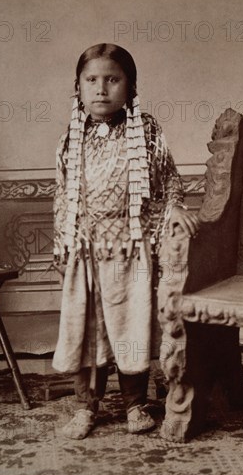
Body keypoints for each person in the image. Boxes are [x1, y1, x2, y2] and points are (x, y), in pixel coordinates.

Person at [52, 43, 199, 439]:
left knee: (130, 326)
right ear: (78, 87)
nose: (101, 89)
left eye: (112, 80)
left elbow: (168, 177)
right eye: (92, 80)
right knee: (89, 330)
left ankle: (135, 403)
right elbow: (63, 192)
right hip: (86, 247)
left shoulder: (145, 130)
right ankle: (86, 407)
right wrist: (62, 242)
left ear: (130, 87)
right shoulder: (73, 137)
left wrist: (175, 209)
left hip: (130, 246)